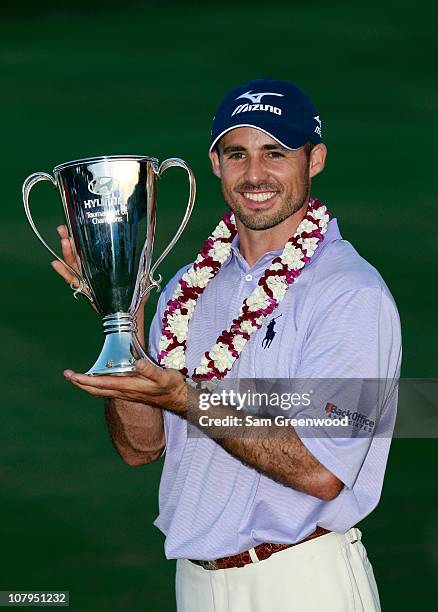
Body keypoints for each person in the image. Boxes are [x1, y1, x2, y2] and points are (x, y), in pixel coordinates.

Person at [54, 78, 402, 611]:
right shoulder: (185, 289)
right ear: (215, 164)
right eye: (237, 153)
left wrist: (188, 400)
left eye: (276, 153)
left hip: (301, 584)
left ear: (315, 160)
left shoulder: (349, 291)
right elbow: (140, 447)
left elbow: (322, 471)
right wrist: (122, 311)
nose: (255, 174)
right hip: (195, 587)